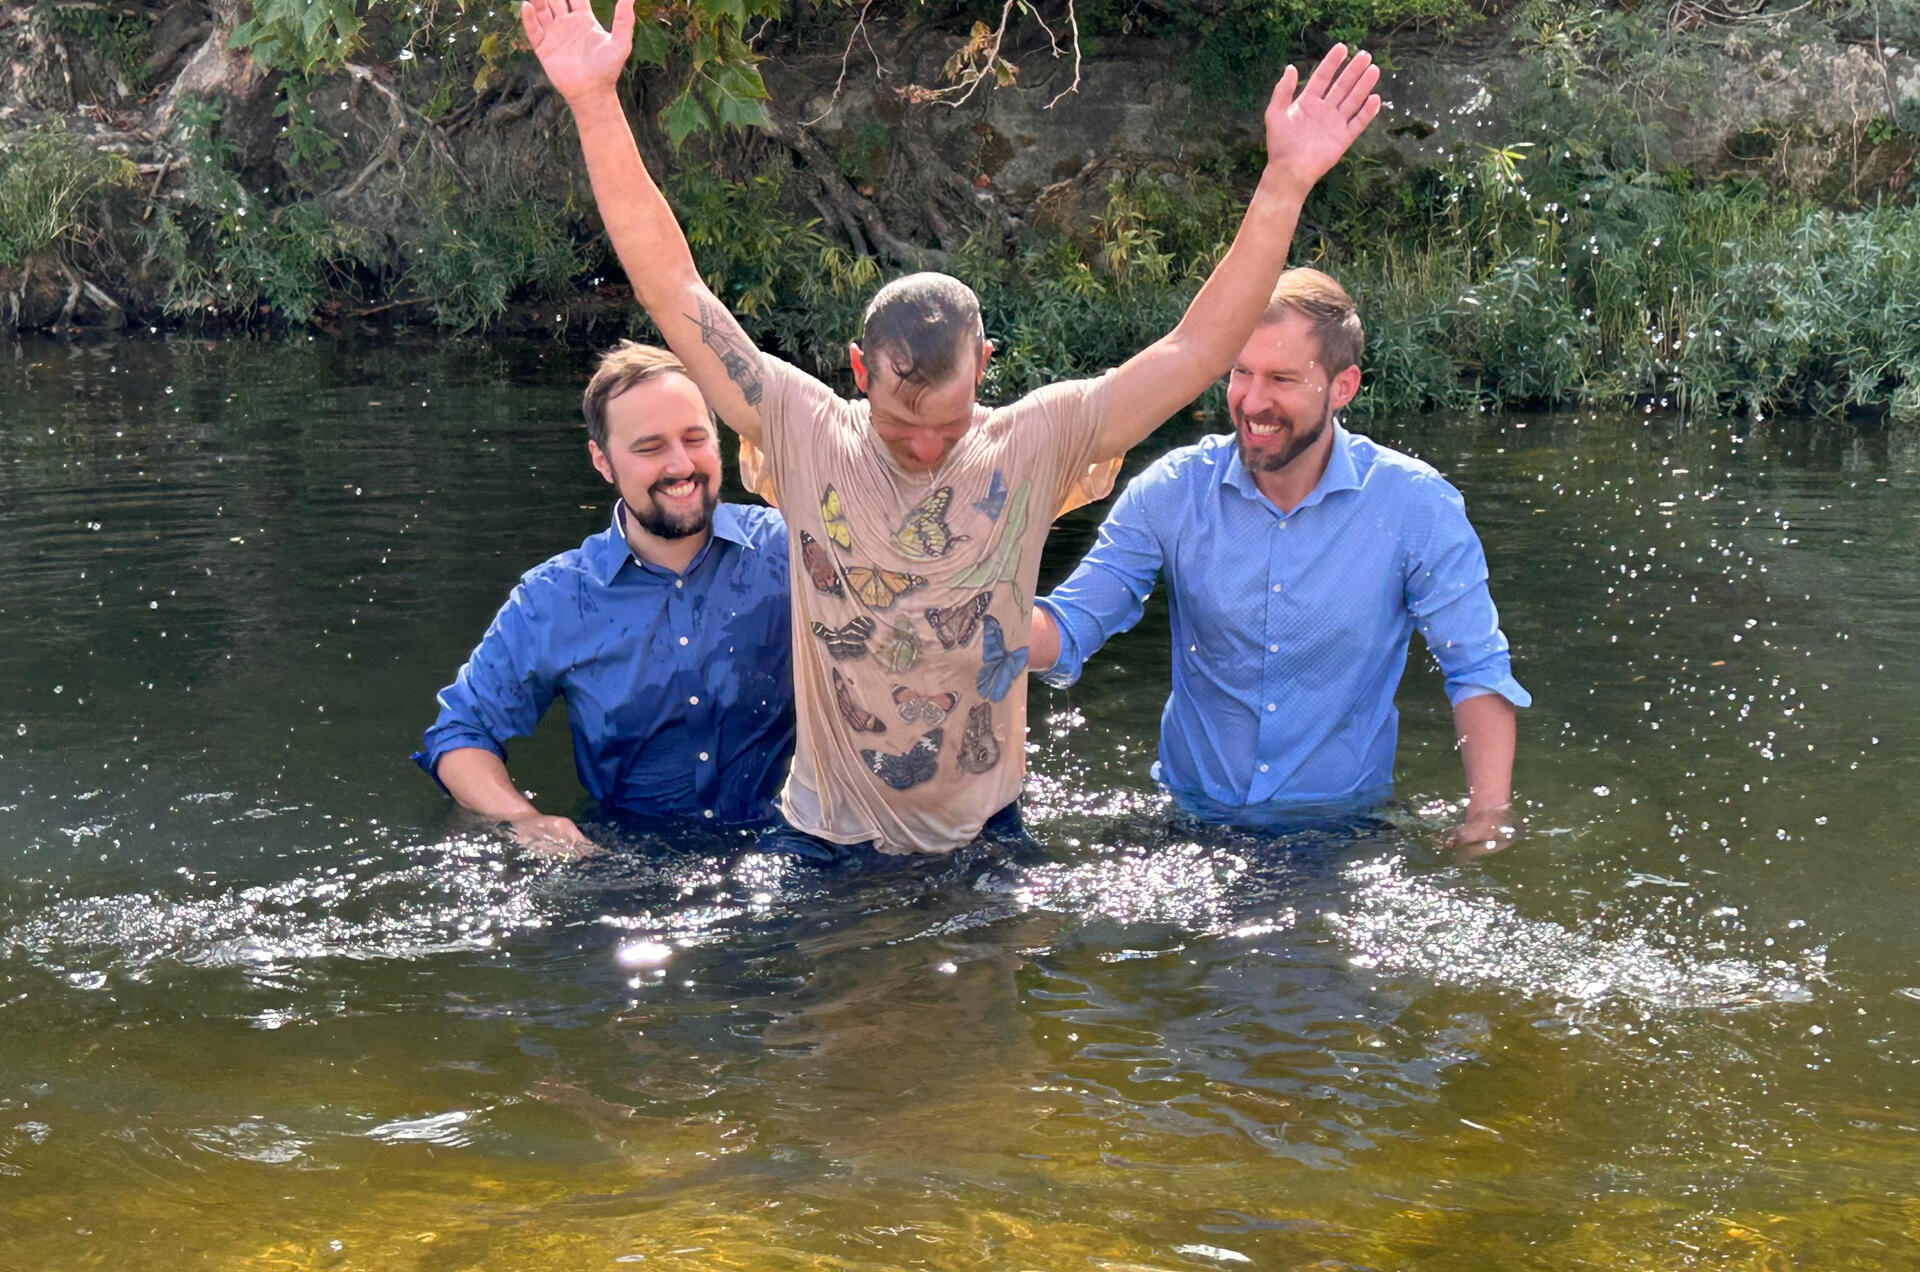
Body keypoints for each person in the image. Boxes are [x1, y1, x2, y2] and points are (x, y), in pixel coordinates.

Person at [519, 0, 1382, 854]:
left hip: (987, 842)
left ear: (987, 366)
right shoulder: (801, 425)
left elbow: (1196, 349)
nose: (928, 450)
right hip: (829, 842)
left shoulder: (1036, 439)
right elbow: (677, 292)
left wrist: (1285, 181)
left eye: (950, 424)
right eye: (901, 429)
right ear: (857, 374)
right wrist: (594, 99)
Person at [1031, 269, 1529, 850]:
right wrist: (971, 608)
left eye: (1282, 378)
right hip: (1190, 827)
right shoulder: (1174, 490)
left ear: (1343, 386)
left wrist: (1487, 815)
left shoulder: (1415, 505)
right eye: (1241, 372)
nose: (1253, 400)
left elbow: (1475, 669)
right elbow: (1068, 630)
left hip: (1342, 830)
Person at [414, 342, 793, 853]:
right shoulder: (555, 598)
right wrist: (525, 821)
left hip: (790, 850)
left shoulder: (792, 553)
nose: (681, 465)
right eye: (650, 448)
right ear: (603, 461)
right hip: (627, 864)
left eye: (695, 438)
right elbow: (460, 733)